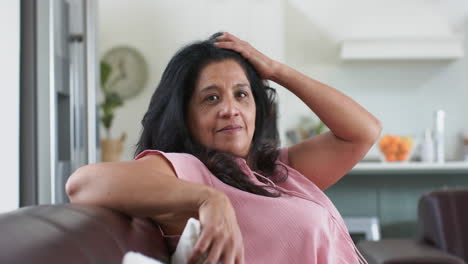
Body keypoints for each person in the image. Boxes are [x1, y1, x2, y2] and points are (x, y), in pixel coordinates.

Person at [66, 32, 381, 264]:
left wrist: (275, 70)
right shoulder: (191, 171)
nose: (230, 109)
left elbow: (363, 131)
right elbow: (82, 184)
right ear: (183, 115)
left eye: (242, 95)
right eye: (211, 98)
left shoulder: (277, 171)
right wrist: (208, 198)